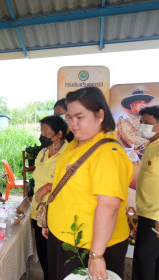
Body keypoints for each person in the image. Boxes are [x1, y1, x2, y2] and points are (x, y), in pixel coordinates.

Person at [44, 87, 133, 280]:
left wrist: (96, 255)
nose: (73, 124)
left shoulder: (108, 153)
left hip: (88, 246)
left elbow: (108, 206)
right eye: (69, 118)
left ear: (100, 114)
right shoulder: (77, 144)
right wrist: (50, 220)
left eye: (79, 117)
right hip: (64, 236)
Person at [30, 115, 68, 280]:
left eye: (46, 132)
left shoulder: (68, 153)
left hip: (55, 214)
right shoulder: (42, 153)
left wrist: (47, 188)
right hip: (37, 213)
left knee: (56, 259)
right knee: (44, 258)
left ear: (59, 134)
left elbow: (70, 183)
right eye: (41, 131)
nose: (42, 135)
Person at [132, 105, 159, 279]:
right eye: (141, 122)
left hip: (155, 217)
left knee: (147, 264)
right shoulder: (151, 145)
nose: (142, 126)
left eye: (147, 123)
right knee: (144, 261)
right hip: (146, 214)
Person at [115, 89, 154, 159]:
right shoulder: (124, 118)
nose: (143, 105)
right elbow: (130, 138)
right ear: (131, 105)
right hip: (131, 158)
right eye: (139, 102)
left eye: (144, 103)